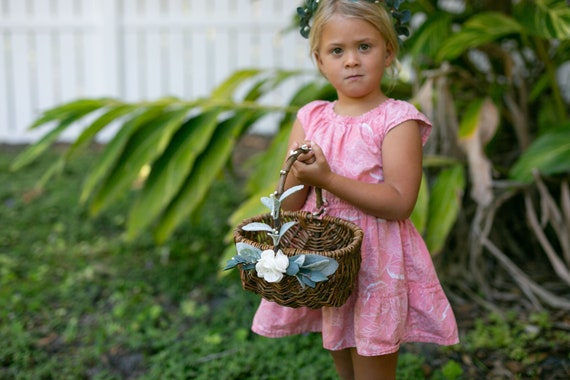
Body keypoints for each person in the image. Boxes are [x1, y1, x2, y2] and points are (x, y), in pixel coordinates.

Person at [250, 1, 460, 379]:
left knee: (372, 366)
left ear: (388, 52)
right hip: (328, 259)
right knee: (344, 358)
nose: (351, 60)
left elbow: (399, 203)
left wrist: (328, 180)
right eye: (337, 51)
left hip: (377, 262)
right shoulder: (311, 117)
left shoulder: (397, 120)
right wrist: (298, 174)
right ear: (320, 61)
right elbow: (291, 202)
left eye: (365, 46)